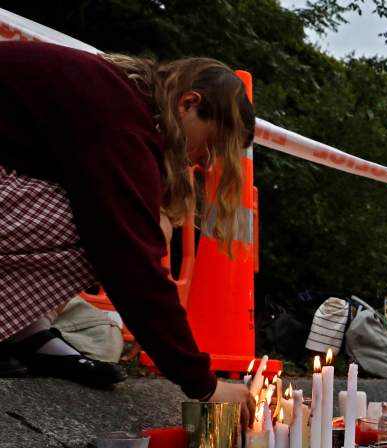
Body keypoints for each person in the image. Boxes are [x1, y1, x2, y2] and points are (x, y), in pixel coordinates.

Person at [0, 41, 255, 417]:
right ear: (188, 103)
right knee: (122, 225)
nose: (204, 160)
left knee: (131, 219)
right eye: (211, 144)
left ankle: (25, 333)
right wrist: (204, 384)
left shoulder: (121, 99)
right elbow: (130, 260)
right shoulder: (119, 118)